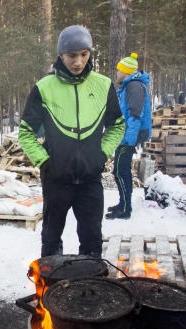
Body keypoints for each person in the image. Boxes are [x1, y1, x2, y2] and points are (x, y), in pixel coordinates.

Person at [18, 25, 125, 258]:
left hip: (90, 180)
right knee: (51, 239)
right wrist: (45, 162)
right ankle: (48, 290)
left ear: (90, 53)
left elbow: (117, 126)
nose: (78, 62)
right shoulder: (44, 88)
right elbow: (26, 133)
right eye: (72, 56)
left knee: (92, 240)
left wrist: (101, 154)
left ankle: (89, 289)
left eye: (84, 55)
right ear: (61, 56)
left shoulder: (103, 84)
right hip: (56, 180)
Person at [107, 52, 152, 220]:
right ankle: (123, 204)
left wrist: (128, 140)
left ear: (125, 72)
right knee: (120, 170)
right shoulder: (129, 86)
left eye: (118, 71)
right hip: (125, 135)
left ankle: (125, 208)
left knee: (121, 171)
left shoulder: (134, 86)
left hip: (128, 137)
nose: (116, 74)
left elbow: (135, 116)